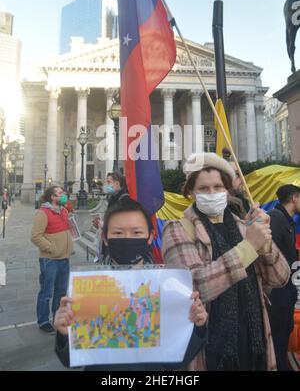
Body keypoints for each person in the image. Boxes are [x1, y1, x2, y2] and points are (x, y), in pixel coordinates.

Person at [162, 152, 291, 371]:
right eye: (203, 189)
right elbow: (195, 285)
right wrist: (248, 248)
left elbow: (280, 278)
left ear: (227, 190)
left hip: (254, 341)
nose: (211, 193)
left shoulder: (244, 226)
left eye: (218, 187)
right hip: (210, 349)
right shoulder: (177, 229)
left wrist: (265, 243)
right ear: (191, 192)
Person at [54, 198, 208, 371]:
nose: (127, 238)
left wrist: (197, 327)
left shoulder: (168, 288)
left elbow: (176, 360)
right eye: (118, 233)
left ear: (150, 237)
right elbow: (72, 360)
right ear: (105, 238)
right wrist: (64, 335)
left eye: (136, 233)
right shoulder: (85, 290)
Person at [31, 186, 73, 334]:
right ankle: (43, 321)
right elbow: (35, 236)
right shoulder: (43, 213)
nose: (64, 195)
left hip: (64, 258)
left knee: (61, 292)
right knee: (46, 292)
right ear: (52, 197)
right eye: (60, 193)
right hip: (50, 260)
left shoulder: (64, 211)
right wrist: (52, 248)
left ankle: (57, 317)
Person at [268, 184, 300, 371]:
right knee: (278, 341)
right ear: (294, 198)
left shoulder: (287, 220)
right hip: (277, 295)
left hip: (285, 294)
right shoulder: (276, 218)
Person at [93, 172, 129, 260]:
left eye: (109, 182)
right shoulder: (112, 198)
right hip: (110, 243)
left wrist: (104, 225)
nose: (106, 185)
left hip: (119, 246)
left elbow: (124, 225)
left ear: (117, 183)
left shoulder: (125, 200)